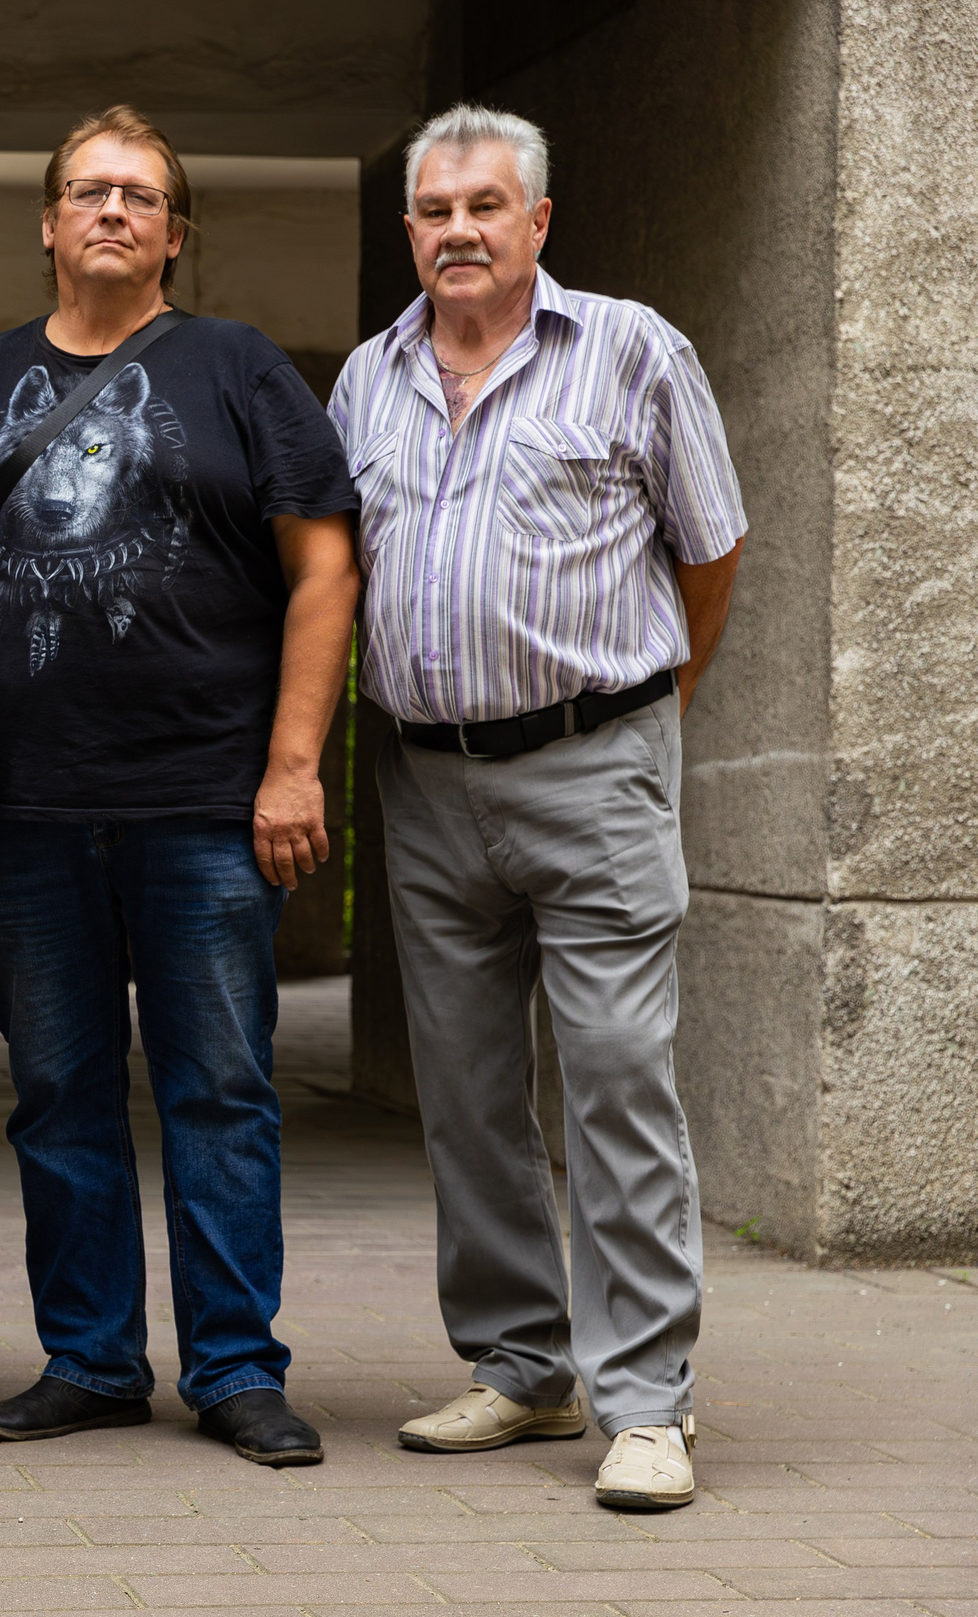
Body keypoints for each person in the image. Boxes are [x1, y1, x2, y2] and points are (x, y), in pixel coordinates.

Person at [0, 106, 360, 1467]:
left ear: (175, 234)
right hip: (21, 810)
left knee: (218, 1091)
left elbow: (325, 569)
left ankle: (233, 1367)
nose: (113, 210)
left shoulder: (240, 369)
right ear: (49, 223)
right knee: (56, 1093)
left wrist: (293, 766)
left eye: (141, 194)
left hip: (204, 803)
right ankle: (93, 1359)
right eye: (88, 190)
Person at [329, 104, 745, 1510]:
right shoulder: (366, 380)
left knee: (618, 1078)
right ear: (410, 230)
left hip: (593, 761)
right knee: (466, 1092)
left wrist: (646, 718)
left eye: (485, 206)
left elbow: (711, 552)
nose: (458, 230)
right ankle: (521, 1365)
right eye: (435, 210)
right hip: (424, 777)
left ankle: (648, 1400)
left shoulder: (633, 350)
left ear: (537, 221)